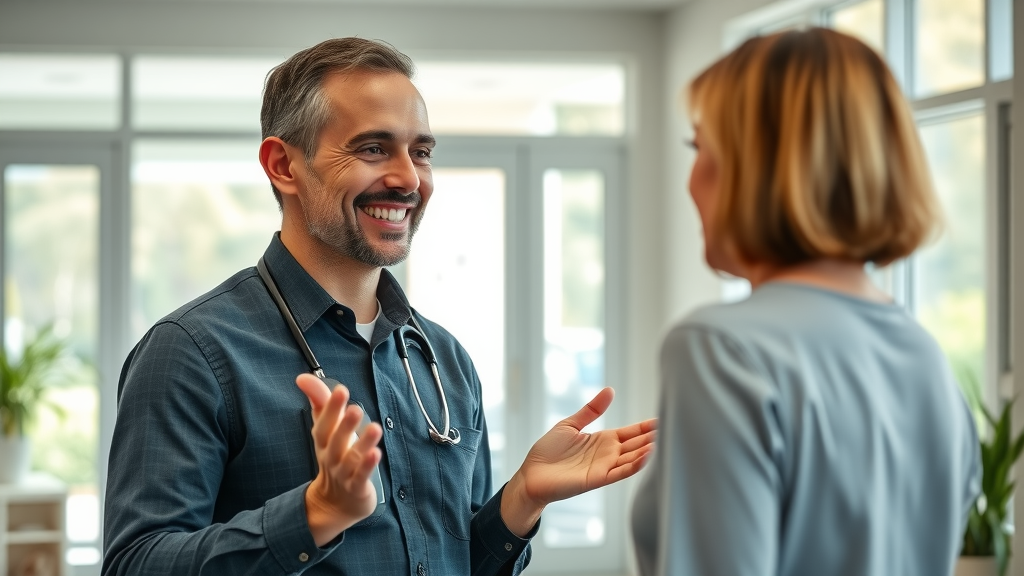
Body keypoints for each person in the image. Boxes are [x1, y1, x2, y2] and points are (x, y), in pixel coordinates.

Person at [103, 37, 656, 576]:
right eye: (373, 148)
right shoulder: (192, 353)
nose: (409, 178)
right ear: (283, 165)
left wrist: (520, 503)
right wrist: (314, 516)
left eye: (420, 152)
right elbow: (134, 564)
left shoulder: (444, 360)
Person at [630, 27, 980, 576]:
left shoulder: (722, 351)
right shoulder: (928, 360)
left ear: (759, 165)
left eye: (701, 147)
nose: (692, 180)